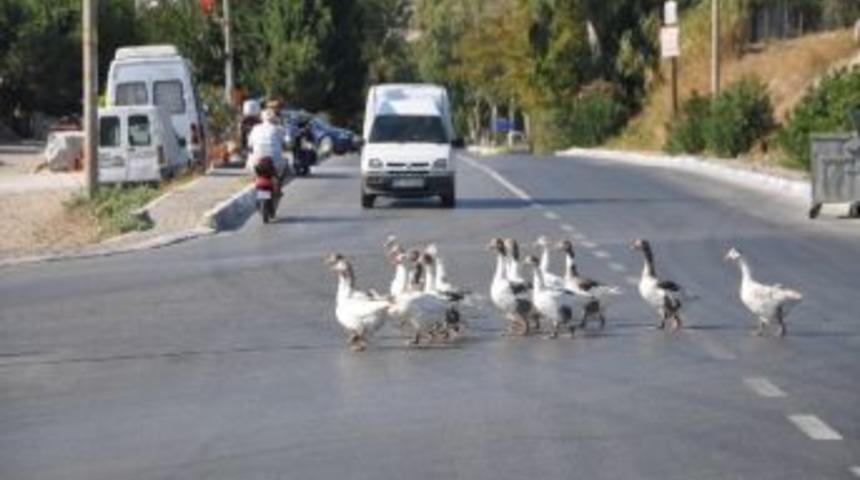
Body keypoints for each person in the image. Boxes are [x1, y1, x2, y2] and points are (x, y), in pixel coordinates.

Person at [246, 108, 288, 189]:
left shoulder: (255, 128)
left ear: (262, 118)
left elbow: (249, 144)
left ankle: (255, 181)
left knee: (249, 162)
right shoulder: (279, 129)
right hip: (274, 161)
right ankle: (279, 185)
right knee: (286, 164)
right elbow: (286, 142)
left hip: (257, 161)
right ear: (274, 118)